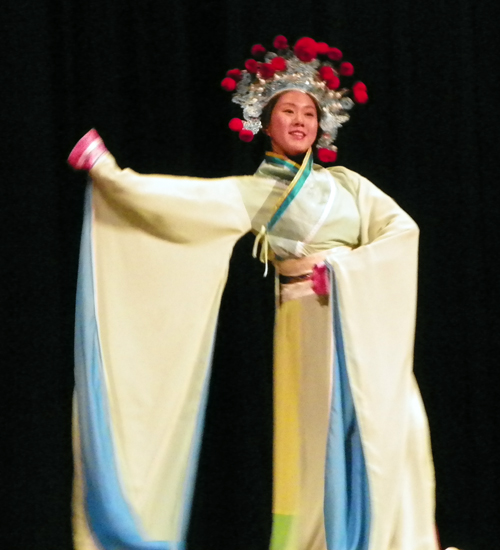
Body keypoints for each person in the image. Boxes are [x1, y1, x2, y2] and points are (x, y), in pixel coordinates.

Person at [68, 36, 439, 550]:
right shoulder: (253, 193)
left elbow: (404, 234)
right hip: (307, 327)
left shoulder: (352, 185)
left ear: (322, 125)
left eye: (309, 112)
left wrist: (349, 271)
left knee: (400, 428)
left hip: (362, 329)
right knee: (313, 446)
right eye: (288, 110)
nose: (301, 120)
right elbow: (180, 201)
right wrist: (111, 175)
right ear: (266, 122)